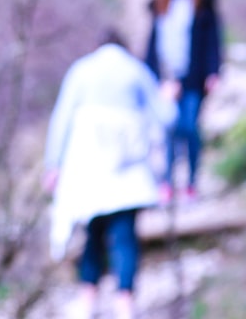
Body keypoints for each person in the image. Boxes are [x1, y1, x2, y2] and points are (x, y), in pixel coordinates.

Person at [44, 30, 176, 319]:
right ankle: (124, 304)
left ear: (99, 46)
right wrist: (169, 96)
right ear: (124, 46)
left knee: (93, 233)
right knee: (126, 236)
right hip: (130, 172)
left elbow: (62, 118)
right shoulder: (137, 70)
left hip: (88, 169)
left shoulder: (81, 70)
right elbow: (165, 117)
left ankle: (87, 302)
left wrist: (52, 165)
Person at [145, 0, 223, 201]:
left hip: (193, 78)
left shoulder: (202, 4)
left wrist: (214, 72)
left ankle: (191, 183)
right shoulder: (160, 5)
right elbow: (152, 45)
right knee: (169, 129)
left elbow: (213, 41)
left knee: (189, 127)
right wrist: (154, 78)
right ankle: (167, 184)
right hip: (167, 80)